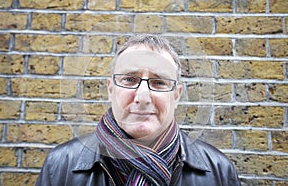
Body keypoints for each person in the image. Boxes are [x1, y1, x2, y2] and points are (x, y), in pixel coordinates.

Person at [36, 34, 241, 186]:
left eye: (159, 82)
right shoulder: (60, 166)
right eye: (129, 79)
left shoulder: (219, 171)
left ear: (176, 95)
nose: (143, 97)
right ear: (110, 89)